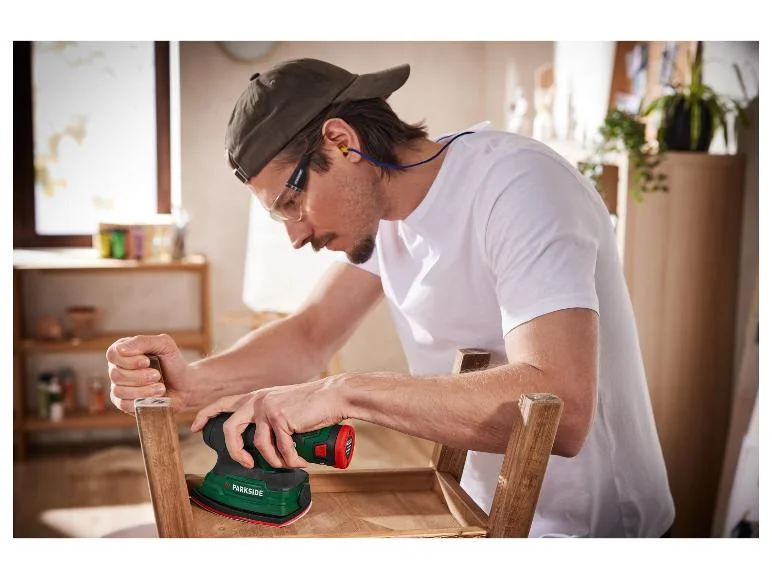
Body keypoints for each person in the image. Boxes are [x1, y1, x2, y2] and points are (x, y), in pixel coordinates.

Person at [106, 58, 675, 538]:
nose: (296, 236)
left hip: (592, 528)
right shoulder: (387, 216)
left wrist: (343, 392)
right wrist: (191, 383)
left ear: (341, 142)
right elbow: (310, 334)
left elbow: (561, 409)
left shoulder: (520, 187)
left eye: (291, 204)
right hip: (485, 509)